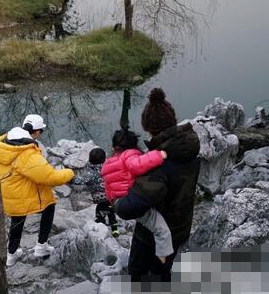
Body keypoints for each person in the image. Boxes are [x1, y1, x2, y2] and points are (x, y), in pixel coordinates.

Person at [114, 88, 201, 282]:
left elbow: (129, 208)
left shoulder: (159, 166)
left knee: (140, 275)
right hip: (180, 227)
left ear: (148, 128)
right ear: (172, 121)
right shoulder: (190, 148)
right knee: (163, 271)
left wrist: (115, 201)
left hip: (151, 237)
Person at [0, 114, 75, 266]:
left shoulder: (2, 145)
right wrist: (70, 172)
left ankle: (11, 254)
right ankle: (41, 246)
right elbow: (49, 177)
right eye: (41, 131)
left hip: (10, 193)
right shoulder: (27, 153)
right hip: (25, 194)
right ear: (36, 132)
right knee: (49, 206)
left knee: (17, 221)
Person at [101, 128, 173, 263]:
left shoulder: (108, 163)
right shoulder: (129, 155)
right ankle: (163, 261)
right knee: (162, 231)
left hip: (118, 204)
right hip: (130, 201)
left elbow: (108, 188)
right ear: (134, 145)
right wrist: (160, 155)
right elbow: (137, 165)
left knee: (149, 222)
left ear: (113, 147)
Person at [72, 148, 119, 237]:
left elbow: (79, 181)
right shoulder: (108, 168)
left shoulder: (91, 173)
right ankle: (115, 229)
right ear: (104, 159)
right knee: (110, 211)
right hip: (111, 195)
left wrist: (70, 176)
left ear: (89, 160)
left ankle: (100, 222)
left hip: (101, 198)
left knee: (100, 210)